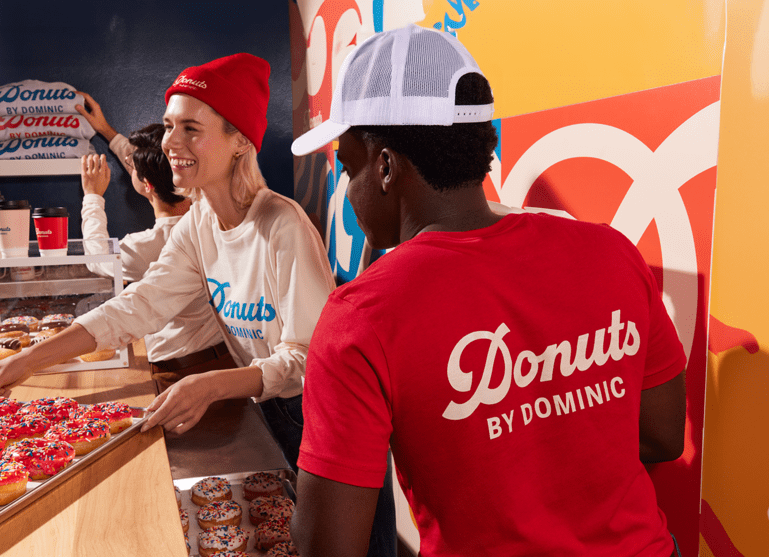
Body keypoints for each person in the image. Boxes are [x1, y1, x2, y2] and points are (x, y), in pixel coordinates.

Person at [289, 24, 687, 557]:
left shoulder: (363, 316)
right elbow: (663, 435)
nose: (347, 189)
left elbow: (326, 547)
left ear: (384, 165)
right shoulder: (609, 251)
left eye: (348, 167)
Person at [0, 51, 334, 466]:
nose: (171, 141)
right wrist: (26, 360)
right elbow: (140, 306)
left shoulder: (282, 224)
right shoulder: (199, 224)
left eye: (191, 128)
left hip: (323, 416)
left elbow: (309, 361)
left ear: (240, 141)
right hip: (268, 403)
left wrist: (210, 385)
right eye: (170, 125)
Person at [76, 114, 227, 392]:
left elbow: (97, 257)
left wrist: (92, 195)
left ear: (147, 184)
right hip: (225, 362)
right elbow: (158, 163)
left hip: (182, 373)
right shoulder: (212, 216)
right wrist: (108, 131)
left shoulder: (151, 244)